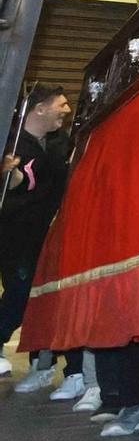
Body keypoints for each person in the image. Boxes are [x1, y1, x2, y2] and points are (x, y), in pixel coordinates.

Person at [1, 84, 72, 361]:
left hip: (51, 235)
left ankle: (41, 363)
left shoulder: (60, 142)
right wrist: (12, 176)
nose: (66, 111)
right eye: (61, 105)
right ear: (40, 109)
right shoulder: (12, 144)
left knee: (42, 298)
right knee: (20, 294)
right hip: (16, 236)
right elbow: (18, 183)